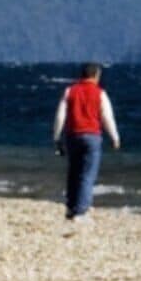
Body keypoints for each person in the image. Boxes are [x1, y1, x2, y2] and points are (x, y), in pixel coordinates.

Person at [51, 62, 119, 227]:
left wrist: (56, 137)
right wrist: (115, 137)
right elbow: (107, 117)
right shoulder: (100, 93)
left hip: (72, 136)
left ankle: (71, 207)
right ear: (96, 75)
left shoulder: (70, 91)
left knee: (73, 173)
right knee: (87, 175)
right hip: (92, 136)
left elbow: (60, 115)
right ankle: (81, 211)